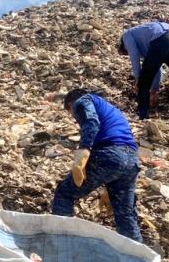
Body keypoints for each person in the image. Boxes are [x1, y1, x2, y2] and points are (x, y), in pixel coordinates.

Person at [50, 88, 142, 243]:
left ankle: (62, 246)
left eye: (72, 112)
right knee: (125, 215)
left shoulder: (83, 100)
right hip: (132, 160)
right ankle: (138, 261)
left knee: (64, 194)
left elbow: (91, 122)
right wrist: (111, 184)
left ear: (71, 104)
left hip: (110, 154)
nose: (75, 117)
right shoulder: (114, 111)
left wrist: (83, 150)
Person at [118, 22, 169, 120]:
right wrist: (154, 91)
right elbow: (157, 69)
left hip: (161, 37)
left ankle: (143, 115)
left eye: (126, 53)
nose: (127, 54)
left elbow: (134, 56)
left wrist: (137, 79)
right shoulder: (144, 40)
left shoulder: (127, 35)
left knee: (143, 82)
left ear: (123, 46)